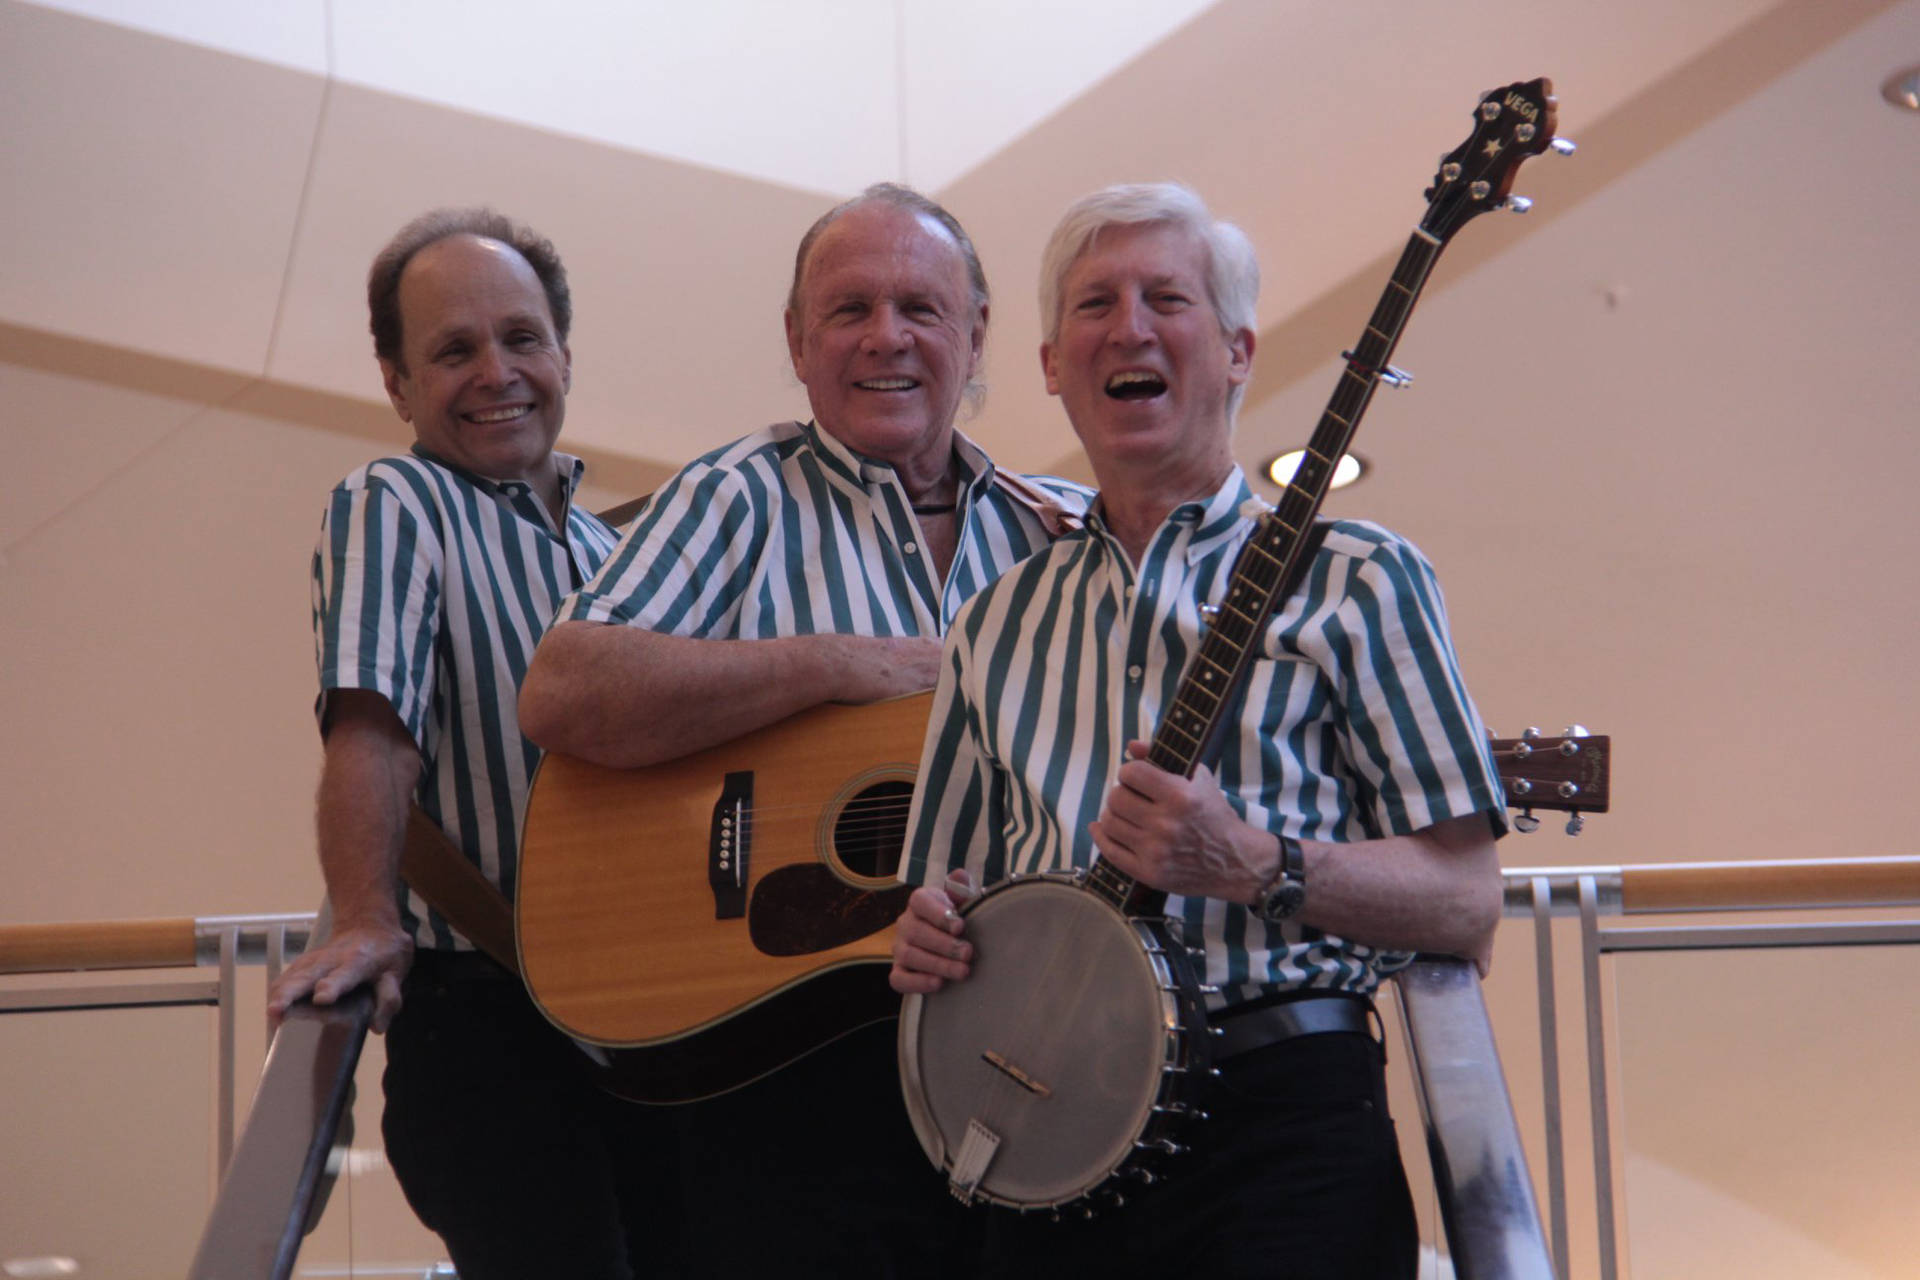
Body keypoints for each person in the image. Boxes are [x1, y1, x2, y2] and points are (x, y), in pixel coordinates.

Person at [889, 182, 1508, 1279]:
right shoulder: (990, 621)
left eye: (1165, 297)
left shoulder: (1360, 578)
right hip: (1050, 1139)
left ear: (1236, 351)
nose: (1129, 326)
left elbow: (1464, 900)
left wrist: (1256, 863)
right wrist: (930, 928)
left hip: (1282, 1122)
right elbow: (939, 891)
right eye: (1095, 304)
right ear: (1048, 364)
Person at [518, 182, 1090, 1277]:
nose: (888, 336)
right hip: (795, 1075)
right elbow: (564, 687)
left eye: (922, 308)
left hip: (1015, 1054)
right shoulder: (743, 493)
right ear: (796, 339)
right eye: (849, 308)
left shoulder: (1057, 532)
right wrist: (838, 662)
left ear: (977, 336)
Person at [265, 209, 681, 1279]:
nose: (497, 371)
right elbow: (370, 725)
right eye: (453, 349)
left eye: (521, 338)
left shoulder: (609, 546)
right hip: (488, 1035)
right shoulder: (394, 500)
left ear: (565, 353)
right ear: (399, 384)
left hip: (637, 1029)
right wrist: (362, 917)